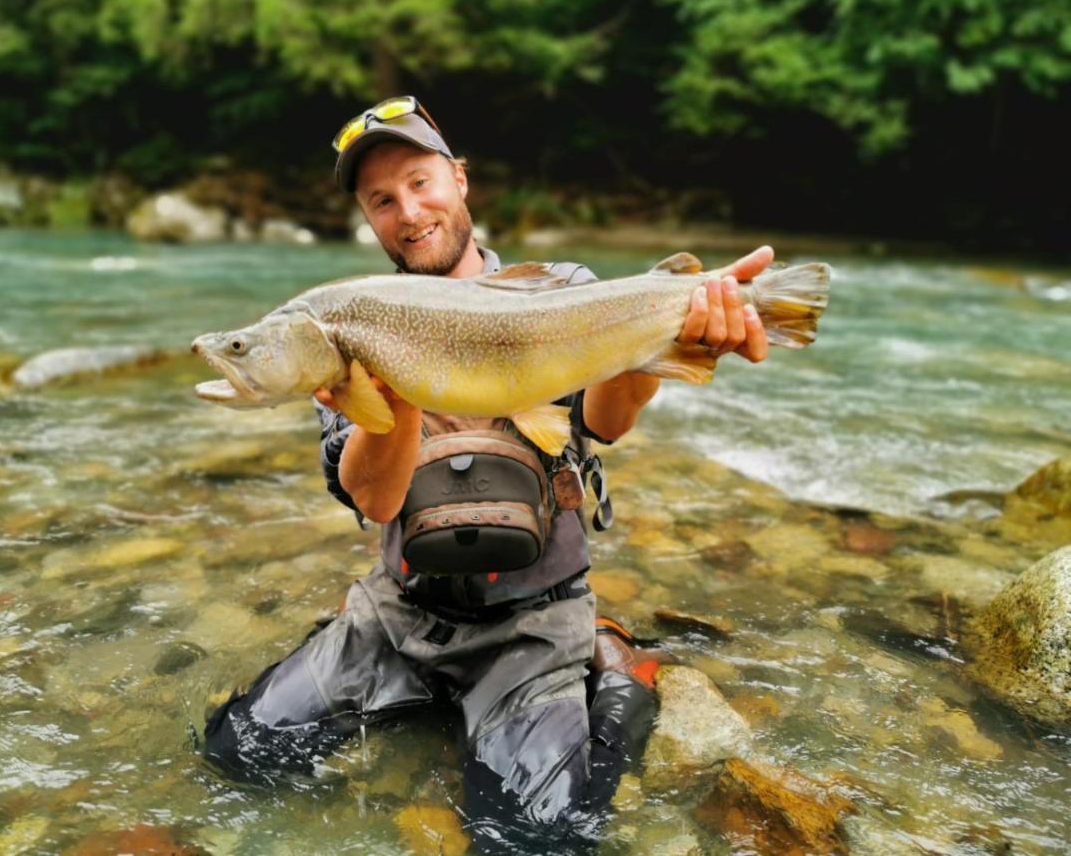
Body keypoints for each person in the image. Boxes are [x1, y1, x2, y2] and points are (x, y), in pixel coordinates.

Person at [203, 96, 771, 852]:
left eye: (420, 182)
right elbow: (374, 497)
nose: (408, 211)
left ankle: (614, 680)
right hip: (402, 614)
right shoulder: (340, 324)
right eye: (382, 200)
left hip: (533, 618)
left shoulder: (561, 287)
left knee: (532, 839)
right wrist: (386, 388)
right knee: (237, 752)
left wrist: (679, 335)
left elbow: (604, 421)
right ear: (370, 221)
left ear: (459, 180)